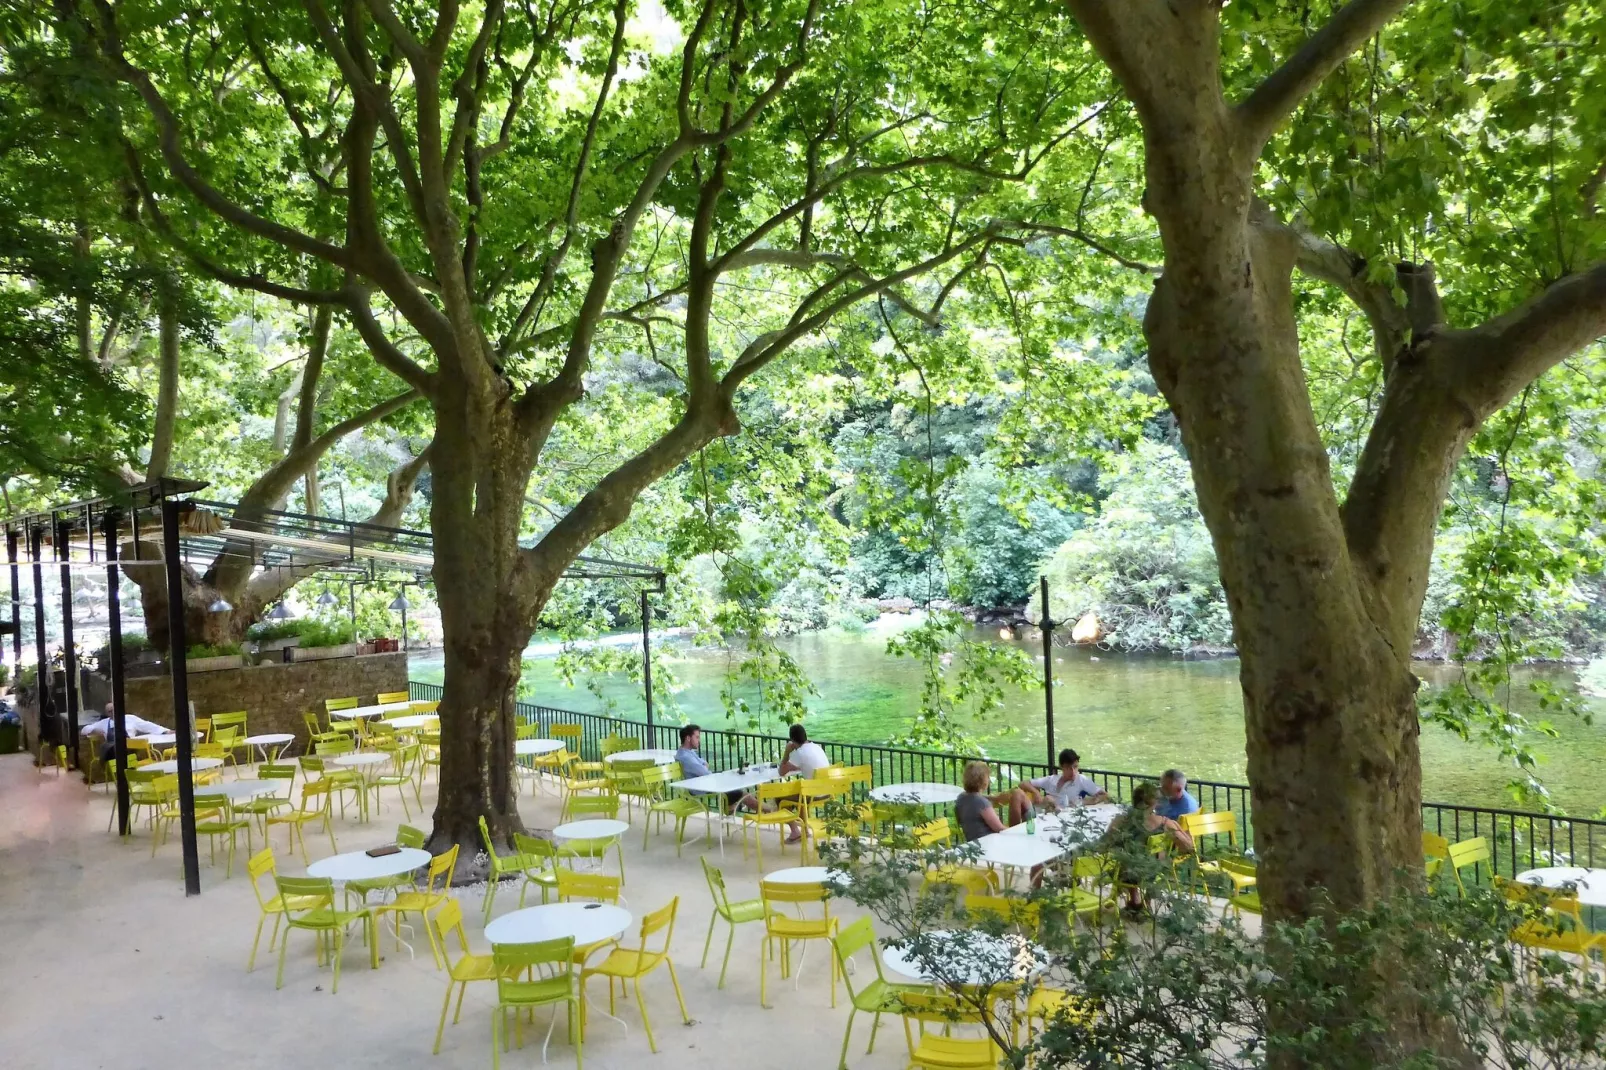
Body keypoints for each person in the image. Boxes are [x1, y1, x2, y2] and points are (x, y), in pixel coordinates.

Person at [1102, 781, 1194, 910]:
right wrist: (1183, 833)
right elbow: (1189, 848)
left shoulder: (1120, 820)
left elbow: (1105, 844)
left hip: (1125, 873)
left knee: (1125, 857)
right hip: (1154, 873)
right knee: (1163, 857)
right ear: (1154, 802)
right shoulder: (1165, 823)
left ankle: (1134, 900)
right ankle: (1147, 900)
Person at [1014, 748, 1108, 823]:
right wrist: (1035, 792)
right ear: (1061, 767)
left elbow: (1104, 795)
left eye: (1075, 767)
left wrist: (1083, 802)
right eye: (1068, 768)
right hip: (1041, 815)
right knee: (1018, 794)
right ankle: (1013, 830)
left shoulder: (1081, 779)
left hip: (1063, 818)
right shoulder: (1052, 779)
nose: (1073, 772)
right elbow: (1023, 783)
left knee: (1049, 799)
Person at [673, 723, 748, 810]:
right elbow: (705, 772)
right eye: (697, 737)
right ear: (688, 738)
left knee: (728, 777)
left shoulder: (687, 752)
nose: (699, 740)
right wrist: (704, 766)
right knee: (740, 793)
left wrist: (704, 766)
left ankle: (731, 806)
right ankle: (764, 810)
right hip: (702, 787)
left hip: (705, 783)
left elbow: (705, 763)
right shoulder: (686, 757)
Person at [80, 702, 169, 761]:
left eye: (114, 710)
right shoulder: (104, 723)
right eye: (110, 711)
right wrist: (93, 730)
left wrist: (165, 731)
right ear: (107, 713)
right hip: (113, 752)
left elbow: (147, 725)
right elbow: (84, 730)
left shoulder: (130, 718)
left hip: (131, 748)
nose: (113, 713)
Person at [955, 760, 1007, 842]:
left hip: (971, 842)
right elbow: (999, 829)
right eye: (988, 777)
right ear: (983, 781)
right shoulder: (982, 803)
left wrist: (992, 798)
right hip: (987, 844)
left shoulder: (961, 798)